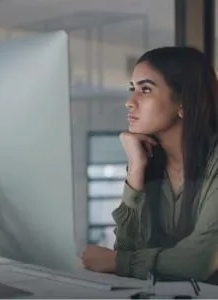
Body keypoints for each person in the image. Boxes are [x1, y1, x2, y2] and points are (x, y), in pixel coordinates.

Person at [81, 46, 218, 284]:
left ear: (183, 103)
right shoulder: (148, 160)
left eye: (145, 90)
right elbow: (126, 247)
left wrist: (116, 262)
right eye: (132, 89)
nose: (129, 102)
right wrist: (135, 168)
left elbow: (199, 260)